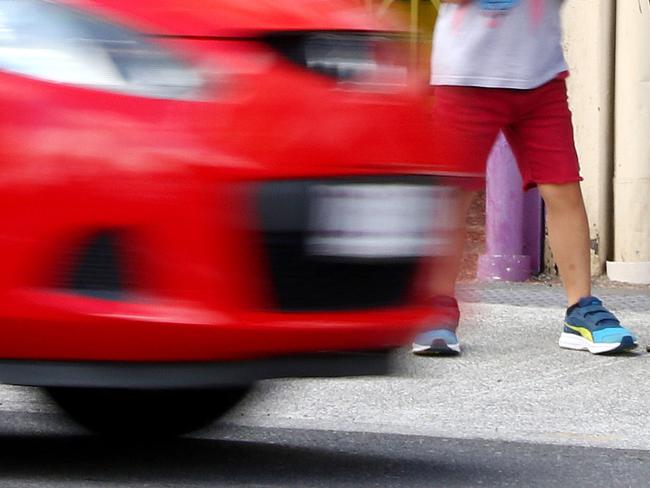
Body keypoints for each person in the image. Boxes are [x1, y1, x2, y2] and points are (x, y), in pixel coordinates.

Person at [412, 0, 638, 356]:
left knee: (562, 187)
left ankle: (581, 309)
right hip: (465, 77)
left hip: (539, 77)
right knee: (452, 196)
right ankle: (436, 308)